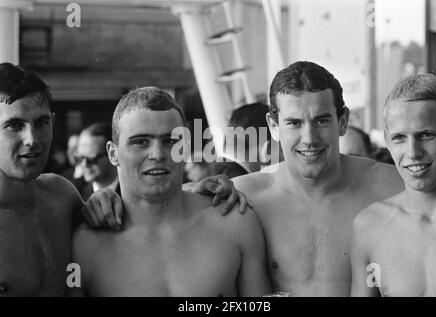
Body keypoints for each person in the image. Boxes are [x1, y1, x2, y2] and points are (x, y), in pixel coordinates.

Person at [69, 87, 270, 296]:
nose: (157, 154)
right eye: (141, 142)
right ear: (113, 153)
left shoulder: (235, 223)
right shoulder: (83, 246)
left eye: (170, 141)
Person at [230, 61, 405, 296]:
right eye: (294, 123)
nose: (309, 138)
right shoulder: (245, 196)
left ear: (342, 122)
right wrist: (197, 188)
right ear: (273, 126)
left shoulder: (390, 185)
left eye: (321, 121)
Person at [0, 63, 123, 296]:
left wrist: (198, 192)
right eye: (14, 125)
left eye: (41, 123)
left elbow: (144, 217)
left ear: (53, 123)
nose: (31, 139)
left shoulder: (62, 196)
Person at [351, 74, 436, 297]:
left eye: (426, 135)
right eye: (399, 138)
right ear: (386, 140)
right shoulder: (369, 226)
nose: (413, 152)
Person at [76, 123, 120, 200]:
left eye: (91, 159)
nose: (84, 164)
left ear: (112, 154)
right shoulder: (76, 196)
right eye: (80, 158)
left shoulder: (133, 193)